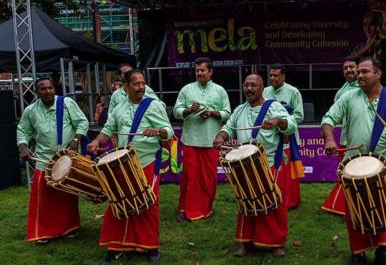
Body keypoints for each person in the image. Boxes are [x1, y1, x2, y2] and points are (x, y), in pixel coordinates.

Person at [321, 57, 386, 265]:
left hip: (383, 165)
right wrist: (329, 138)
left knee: (384, 208)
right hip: (352, 165)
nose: (360, 75)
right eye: (359, 72)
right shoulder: (348, 97)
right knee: (353, 210)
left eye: (365, 72)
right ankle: (358, 251)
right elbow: (328, 118)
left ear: (378, 73)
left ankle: (383, 251)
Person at [87, 70, 174, 264]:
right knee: (119, 204)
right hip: (124, 164)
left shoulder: (154, 106)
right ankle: (116, 247)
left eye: (143, 83)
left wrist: (158, 131)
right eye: (136, 84)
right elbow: (108, 130)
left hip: (146, 161)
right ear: (126, 87)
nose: (141, 87)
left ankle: (151, 246)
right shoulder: (118, 108)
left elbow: (168, 131)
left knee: (148, 204)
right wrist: (95, 141)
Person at [213, 74, 297, 258]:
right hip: (246, 165)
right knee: (246, 203)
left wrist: (278, 122)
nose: (249, 89)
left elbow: (290, 125)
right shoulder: (239, 110)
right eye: (246, 85)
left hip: (270, 163)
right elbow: (229, 127)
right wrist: (221, 136)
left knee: (275, 203)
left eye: (253, 85)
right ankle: (246, 242)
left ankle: (277, 243)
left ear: (262, 88)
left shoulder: (273, 107)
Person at [17, 78, 89, 244]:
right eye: (43, 89)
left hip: (67, 158)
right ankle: (44, 231)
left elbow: (82, 122)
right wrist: (23, 147)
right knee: (43, 197)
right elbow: (23, 131)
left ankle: (70, 227)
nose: (47, 91)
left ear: (54, 89)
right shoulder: (31, 110)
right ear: (36, 92)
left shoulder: (66, 103)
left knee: (67, 196)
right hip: (44, 159)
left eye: (50, 88)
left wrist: (76, 140)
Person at [173, 57, 231, 221]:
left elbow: (227, 113)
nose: (199, 73)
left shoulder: (219, 91)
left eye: (202, 70)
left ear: (210, 72)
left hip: (211, 140)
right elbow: (177, 111)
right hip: (191, 139)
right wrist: (189, 110)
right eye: (197, 70)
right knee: (189, 177)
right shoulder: (186, 89)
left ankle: (205, 208)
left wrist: (212, 113)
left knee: (208, 177)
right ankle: (184, 209)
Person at [321, 56, 359, 216]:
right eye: (346, 68)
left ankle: (345, 206)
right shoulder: (341, 93)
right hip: (346, 141)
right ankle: (345, 207)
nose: (349, 70)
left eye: (352, 67)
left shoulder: (367, 88)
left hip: (364, 140)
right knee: (346, 174)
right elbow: (332, 117)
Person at [263, 63, 304, 210]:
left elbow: (299, 116)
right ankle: (272, 198)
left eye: (276, 75)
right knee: (271, 168)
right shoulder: (264, 92)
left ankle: (289, 201)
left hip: (288, 138)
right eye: (271, 75)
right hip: (268, 139)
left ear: (283, 76)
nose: (272, 78)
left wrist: (283, 122)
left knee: (287, 172)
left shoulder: (293, 92)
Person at [351, 10, 386, 86]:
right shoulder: (360, 48)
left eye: (371, 24)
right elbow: (352, 61)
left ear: (378, 26)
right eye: (365, 24)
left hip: (384, 82)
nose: (368, 28)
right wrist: (367, 47)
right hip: (366, 83)